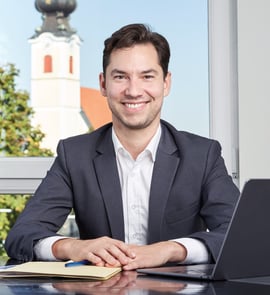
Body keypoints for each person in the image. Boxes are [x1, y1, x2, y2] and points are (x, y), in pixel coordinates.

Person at [5, 23, 239, 270]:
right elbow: (22, 235)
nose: (133, 90)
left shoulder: (202, 155)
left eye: (147, 76)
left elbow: (239, 235)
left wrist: (172, 249)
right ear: (103, 84)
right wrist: (74, 246)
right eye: (120, 77)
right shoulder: (74, 155)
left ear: (166, 83)